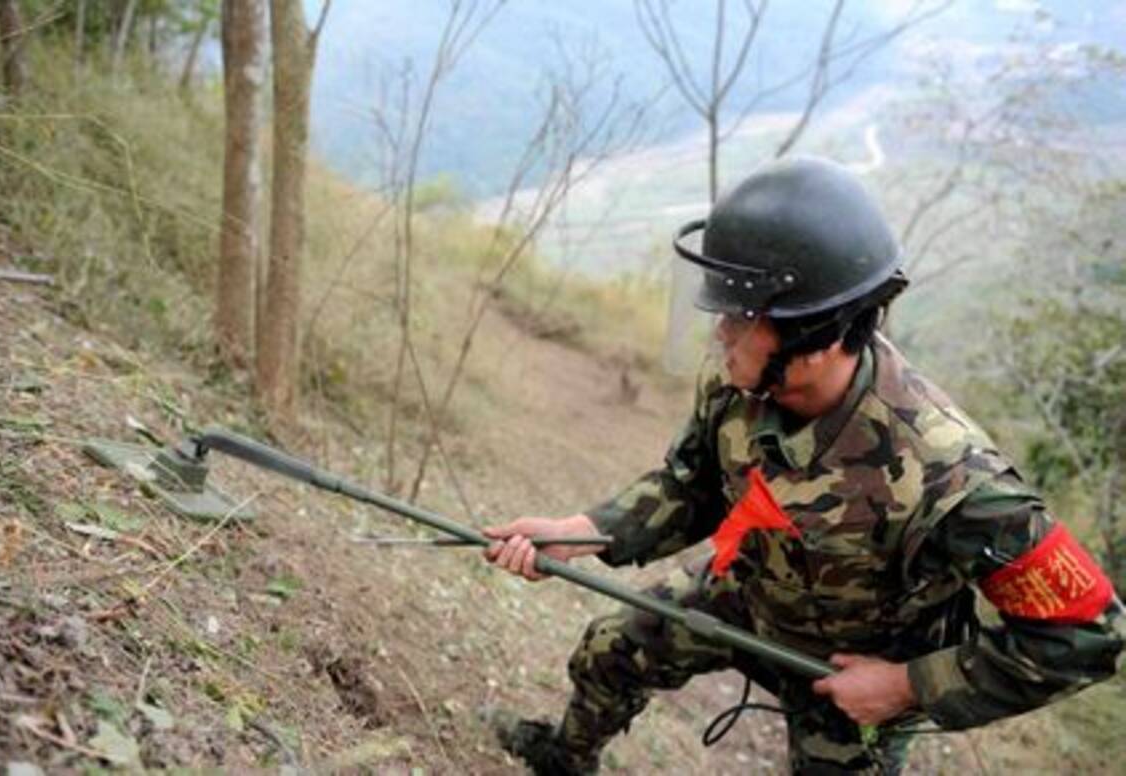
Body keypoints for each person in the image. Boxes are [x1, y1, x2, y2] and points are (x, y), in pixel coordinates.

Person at [481, 157, 1124, 775]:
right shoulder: (742, 383)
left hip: (853, 670)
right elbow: (692, 484)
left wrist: (906, 686)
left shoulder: (949, 477)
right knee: (608, 651)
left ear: (816, 337)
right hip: (746, 591)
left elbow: (1087, 634)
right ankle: (564, 760)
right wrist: (582, 531)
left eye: (740, 316)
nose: (720, 333)